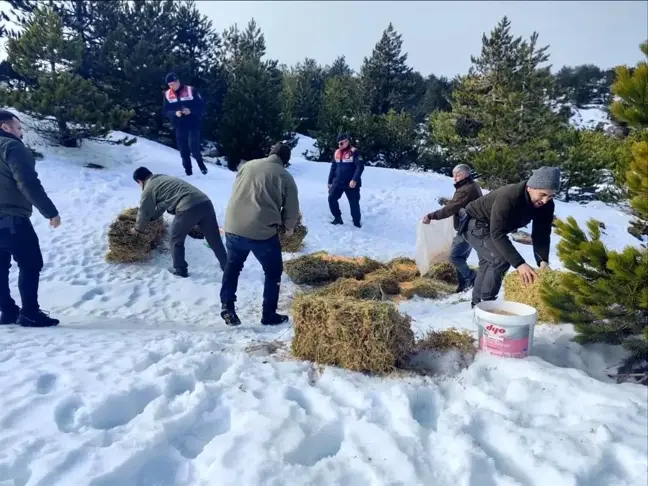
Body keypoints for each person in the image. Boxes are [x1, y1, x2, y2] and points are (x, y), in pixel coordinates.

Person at [220, 143, 299, 327]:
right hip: (261, 233)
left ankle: (227, 306)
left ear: (270, 153)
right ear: (285, 161)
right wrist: (289, 228)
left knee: (232, 267)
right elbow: (292, 209)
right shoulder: (285, 177)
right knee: (273, 271)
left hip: (232, 226)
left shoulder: (248, 165)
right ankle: (268, 314)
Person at [461, 167, 560, 308]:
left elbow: (541, 233)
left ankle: (477, 304)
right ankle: (487, 305)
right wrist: (520, 264)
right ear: (530, 187)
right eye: (542, 194)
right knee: (500, 261)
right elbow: (497, 233)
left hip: (492, 227)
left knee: (487, 263)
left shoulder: (546, 205)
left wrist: (543, 261)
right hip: (475, 223)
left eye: (550, 196)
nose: (545, 200)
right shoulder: (509, 196)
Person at [0, 110, 61, 327]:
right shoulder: (12, 146)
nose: (21, 132)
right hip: (11, 218)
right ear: (5, 128)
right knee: (30, 263)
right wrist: (50, 212)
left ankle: (6, 311)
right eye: (18, 128)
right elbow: (26, 182)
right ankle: (29, 313)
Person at [131, 167, 227, 277]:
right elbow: (164, 204)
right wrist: (153, 218)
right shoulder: (164, 179)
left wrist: (138, 229)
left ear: (140, 181)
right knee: (214, 238)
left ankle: (180, 270)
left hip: (188, 207)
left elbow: (144, 211)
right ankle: (227, 266)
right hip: (205, 203)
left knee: (175, 239)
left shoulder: (148, 188)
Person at [422, 164, 483, 292]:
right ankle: (463, 285)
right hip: (472, 227)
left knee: (454, 256)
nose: (454, 178)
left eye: (458, 174)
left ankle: (472, 277)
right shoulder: (471, 185)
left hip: (468, 228)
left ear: (466, 174)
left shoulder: (465, 189)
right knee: (461, 257)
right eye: (454, 175)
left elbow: (451, 209)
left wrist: (431, 216)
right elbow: (459, 204)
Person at [162, 72, 208, 176]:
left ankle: (201, 165)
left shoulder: (190, 90)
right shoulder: (167, 94)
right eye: (169, 85)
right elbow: (165, 110)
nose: (171, 86)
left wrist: (190, 111)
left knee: (194, 148)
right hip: (179, 125)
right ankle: (188, 172)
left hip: (193, 124)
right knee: (183, 151)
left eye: (173, 83)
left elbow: (202, 107)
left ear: (178, 81)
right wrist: (175, 113)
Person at [328, 133, 364, 228]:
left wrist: (354, 180)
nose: (340, 145)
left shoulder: (354, 152)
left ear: (347, 141)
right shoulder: (337, 152)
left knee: (354, 203)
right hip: (338, 182)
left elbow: (360, 167)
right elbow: (333, 167)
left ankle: (356, 222)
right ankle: (337, 218)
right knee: (331, 198)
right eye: (339, 143)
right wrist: (330, 181)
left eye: (342, 143)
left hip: (351, 183)